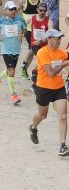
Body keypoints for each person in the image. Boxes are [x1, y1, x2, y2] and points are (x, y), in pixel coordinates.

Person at [29, 29, 69, 157]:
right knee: (42, 116)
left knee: (63, 116)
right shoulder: (42, 52)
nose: (59, 41)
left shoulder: (62, 52)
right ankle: (33, 127)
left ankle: (63, 145)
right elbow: (51, 73)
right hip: (44, 89)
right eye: (57, 38)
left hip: (59, 88)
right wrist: (63, 65)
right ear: (49, 39)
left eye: (60, 38)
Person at [0, 1, 27, 105]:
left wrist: (23, 35)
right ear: (6, 10)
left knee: (10, 70)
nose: (13, 11)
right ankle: (13, 95)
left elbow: (25, 30)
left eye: (14, 9)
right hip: (6, 49)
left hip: (16, 49)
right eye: (10, 9)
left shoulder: (20, 19)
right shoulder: (1, 20)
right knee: (12, 71)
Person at [18, 0, 42, 78]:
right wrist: (22, 22)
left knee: (31, 51)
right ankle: (24, 65)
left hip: (38, 31)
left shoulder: (41, 0)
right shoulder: (24, 0)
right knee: (33, 49)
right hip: (28, 30)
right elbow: (14, 13)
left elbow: (44, 13)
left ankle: (24, 70)